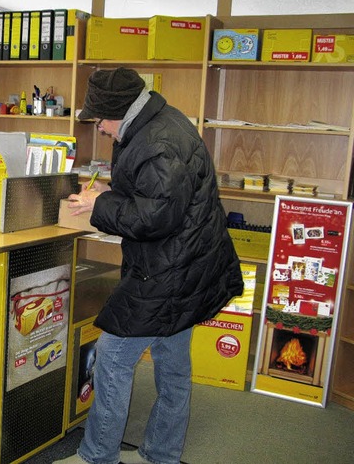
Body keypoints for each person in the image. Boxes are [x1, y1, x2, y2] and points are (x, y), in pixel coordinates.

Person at [54, 68, 243, 464]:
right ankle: (161, 454)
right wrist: (111, 191)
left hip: (169, 271)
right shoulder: (155, 123)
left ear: (120, 111)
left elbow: (154, 218)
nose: (100, 129)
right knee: (173, 367)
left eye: (101, 120)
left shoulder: (159, 141)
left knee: (112, 358)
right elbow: (155, 193)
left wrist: (98, 205)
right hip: (190, 265)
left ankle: (97, 457)